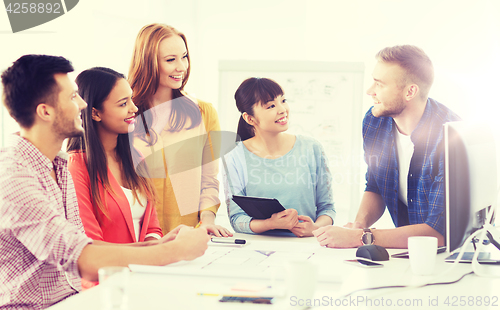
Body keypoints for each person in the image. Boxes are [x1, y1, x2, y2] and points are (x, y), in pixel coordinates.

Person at [0, 55, 209, 309]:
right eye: (71, 97)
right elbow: (82, 258)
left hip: (73, 300)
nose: (82, 104)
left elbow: (83, 243)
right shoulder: (12, 176)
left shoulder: (58, 165)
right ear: (45, 111)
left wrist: (160, 244)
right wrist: (177, 252)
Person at [313, 45, 461, 248]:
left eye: (379, 84)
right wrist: (359, 225)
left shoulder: (452, 137)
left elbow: (439, 233)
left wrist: (361, 238)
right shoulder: (374, 122)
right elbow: (376, 184)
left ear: (410, 91)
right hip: (408, 252)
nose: (370, 91)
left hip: (452, 258)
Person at [128, 23, 231, 237]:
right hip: (137, 238)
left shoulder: (204, 112)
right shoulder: (125, 114)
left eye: (184, 57)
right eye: (171, 60)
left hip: (186, 236)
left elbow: (209, 179)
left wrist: (207, 220)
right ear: (148, 63)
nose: (182, 67)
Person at [223, 77, 336, 237]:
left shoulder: (311, 148)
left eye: (283, 100)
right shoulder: (235, 156)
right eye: (271, 106)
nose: (282, 109)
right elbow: (236, 219)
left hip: (306, 248)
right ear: (250, 118)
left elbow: (327, 208)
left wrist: (314, 228)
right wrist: (270, 224)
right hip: (257, 251)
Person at [67, 67, 168, 244]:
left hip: (143, 268)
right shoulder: (76, 166)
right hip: (108, 270)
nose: (134, 108)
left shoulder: (136, 157)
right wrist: (151, 252)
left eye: (131, 100)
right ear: (95, 113)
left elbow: (152, 228)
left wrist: (157, 246)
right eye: (123, 104)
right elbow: (90, 243)